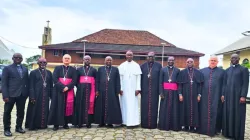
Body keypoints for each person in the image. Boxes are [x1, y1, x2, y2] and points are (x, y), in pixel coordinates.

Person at [222, 54, 249, 140]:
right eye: (232, 58)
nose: (234, 59)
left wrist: (243, 96)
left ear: (239, 59)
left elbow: (245, 84)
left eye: (235, 58)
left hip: (238, 97)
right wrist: (223, 94)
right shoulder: (227, 70)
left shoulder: (243, 69)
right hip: (228, 96)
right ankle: (227, 133)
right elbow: (224, 84)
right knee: (228, 113)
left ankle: (237, 135)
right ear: (230, 59)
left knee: (238, 115)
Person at [2, 53, 29, 136]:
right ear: (13, 58)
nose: (18, 59)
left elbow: (26, 82)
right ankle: (7, 129)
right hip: (10, 94)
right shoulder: (7, 68)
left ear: (22, 59)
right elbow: (4, 83)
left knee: (20, 112)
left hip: (22, 95)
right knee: (7, 112)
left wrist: (26, 93)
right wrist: (5, 95)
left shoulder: (25, 69)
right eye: (16, 57)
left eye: (20, 57)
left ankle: (19, 127)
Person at [48, 54, 77, 131]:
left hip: (69, 91)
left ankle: (66, 123)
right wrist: (62, 87)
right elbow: (54, 78)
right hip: (58, 91)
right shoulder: (57, 68)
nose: (66, 60)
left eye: (68, 58)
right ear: (62, 59)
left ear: (70, 60)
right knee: (57, 106)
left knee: (67, 107)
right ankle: (56, 124)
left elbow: (74, 80)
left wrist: (67, 87)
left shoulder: (73, 69)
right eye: (65, 58)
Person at [199, 55, 226, 136]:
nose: (213, 62)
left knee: (216, 112)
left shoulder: (222, 72)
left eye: (214, 60)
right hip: (204, 95)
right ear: (209, 61)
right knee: (203, 112)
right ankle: (203, 129)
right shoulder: (202, 71)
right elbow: (199, 84)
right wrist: (199, 94)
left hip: (216, 96)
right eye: (211, 60)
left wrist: (223, 94)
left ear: (217, 62)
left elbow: (224, 84)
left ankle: (215, 129)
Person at [25, 58, 53, 130]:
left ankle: (43, 125)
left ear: (46, 64)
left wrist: (51, 96)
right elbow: (30, 85)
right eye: (41, 62)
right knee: (34, 110)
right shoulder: (33, 72)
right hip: (36, 95)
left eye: (44, 62)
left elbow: (50, 85)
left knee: (45, 109)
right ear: (38, 63)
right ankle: (33, 125)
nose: (42, 64)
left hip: (45, 95)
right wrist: (32, 96)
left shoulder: (49, 73)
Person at [95, 56, 122, 127]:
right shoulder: (100, 69)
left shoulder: (115, 69)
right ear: (105, 61)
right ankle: (101, 122)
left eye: (110, 60)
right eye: (107, 60)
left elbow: (118, 81)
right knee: (101, 106)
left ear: (112, 61)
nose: (109, 61)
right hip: (102, 91)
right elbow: (97, 80)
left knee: (111, 106)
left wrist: (118, 90)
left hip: (112, 91)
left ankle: (110, 122)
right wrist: (97, 90)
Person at [178, 58, 204, 132]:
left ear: (194, 63)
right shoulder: (182, 72)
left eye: (191, 62)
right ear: (186, 63)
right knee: (185, 110)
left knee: (194, 110)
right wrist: (180, 94)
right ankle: (186, 126)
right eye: (188, 62)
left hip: (195, 95)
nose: (189, 63)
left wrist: (199, 95)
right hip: (185, 95)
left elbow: (200, 85)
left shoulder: (198, 72)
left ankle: (192, 127)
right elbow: (179, 85)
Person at [118, 50, 142, 128]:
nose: (129, 56)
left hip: (133, 89)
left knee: (133, 105)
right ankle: (124, 121)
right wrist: (120, 88)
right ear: (126, 56)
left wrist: (138, 89)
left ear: (133, 56)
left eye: (130, 55)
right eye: (128, 55)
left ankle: (133, 122)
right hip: (124, 89)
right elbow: (120, 78)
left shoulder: (136, 65)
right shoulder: (122, 65)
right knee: (124, 105)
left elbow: (138, 78)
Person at [73, 55, 97, 128]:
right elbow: (76, 80)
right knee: (80, 106)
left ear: (90, 61)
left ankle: (88, 123)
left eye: (88, 59)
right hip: (81, 91)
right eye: (86, 59)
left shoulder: (94, 70)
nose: (87, 61)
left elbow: (96, 80)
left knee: (89, 106)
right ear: (83, 60)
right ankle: (79, 122)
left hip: (90, 91)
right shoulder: (79, 69)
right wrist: (80, 87)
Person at [158, 56, 181, 131]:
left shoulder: (177, 70)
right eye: (169, 60)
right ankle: (164, 125)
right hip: (165, 92)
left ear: (174, 61)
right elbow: (160, 82)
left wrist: (179, 93)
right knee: (164, 108)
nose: (170, 61)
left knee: (174, 109)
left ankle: (173, 126)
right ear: (167, 61)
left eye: (172, 60)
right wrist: (161, 92)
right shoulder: (163, 69)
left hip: (174, 92)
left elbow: (179, 83)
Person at [140, 52, 162, 129]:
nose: (150, 58)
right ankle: (144, 124)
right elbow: (140, 79)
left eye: (152, 57)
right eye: (149, 56)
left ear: (154, 57)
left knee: (154, 107)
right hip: (144, 89)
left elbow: (160, 79)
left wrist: (160, 91)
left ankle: (153, 124)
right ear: (147, 57)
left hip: (154, 90)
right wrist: (140, 89)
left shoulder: (159, 66)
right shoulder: (142, 66)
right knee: (144, 107)